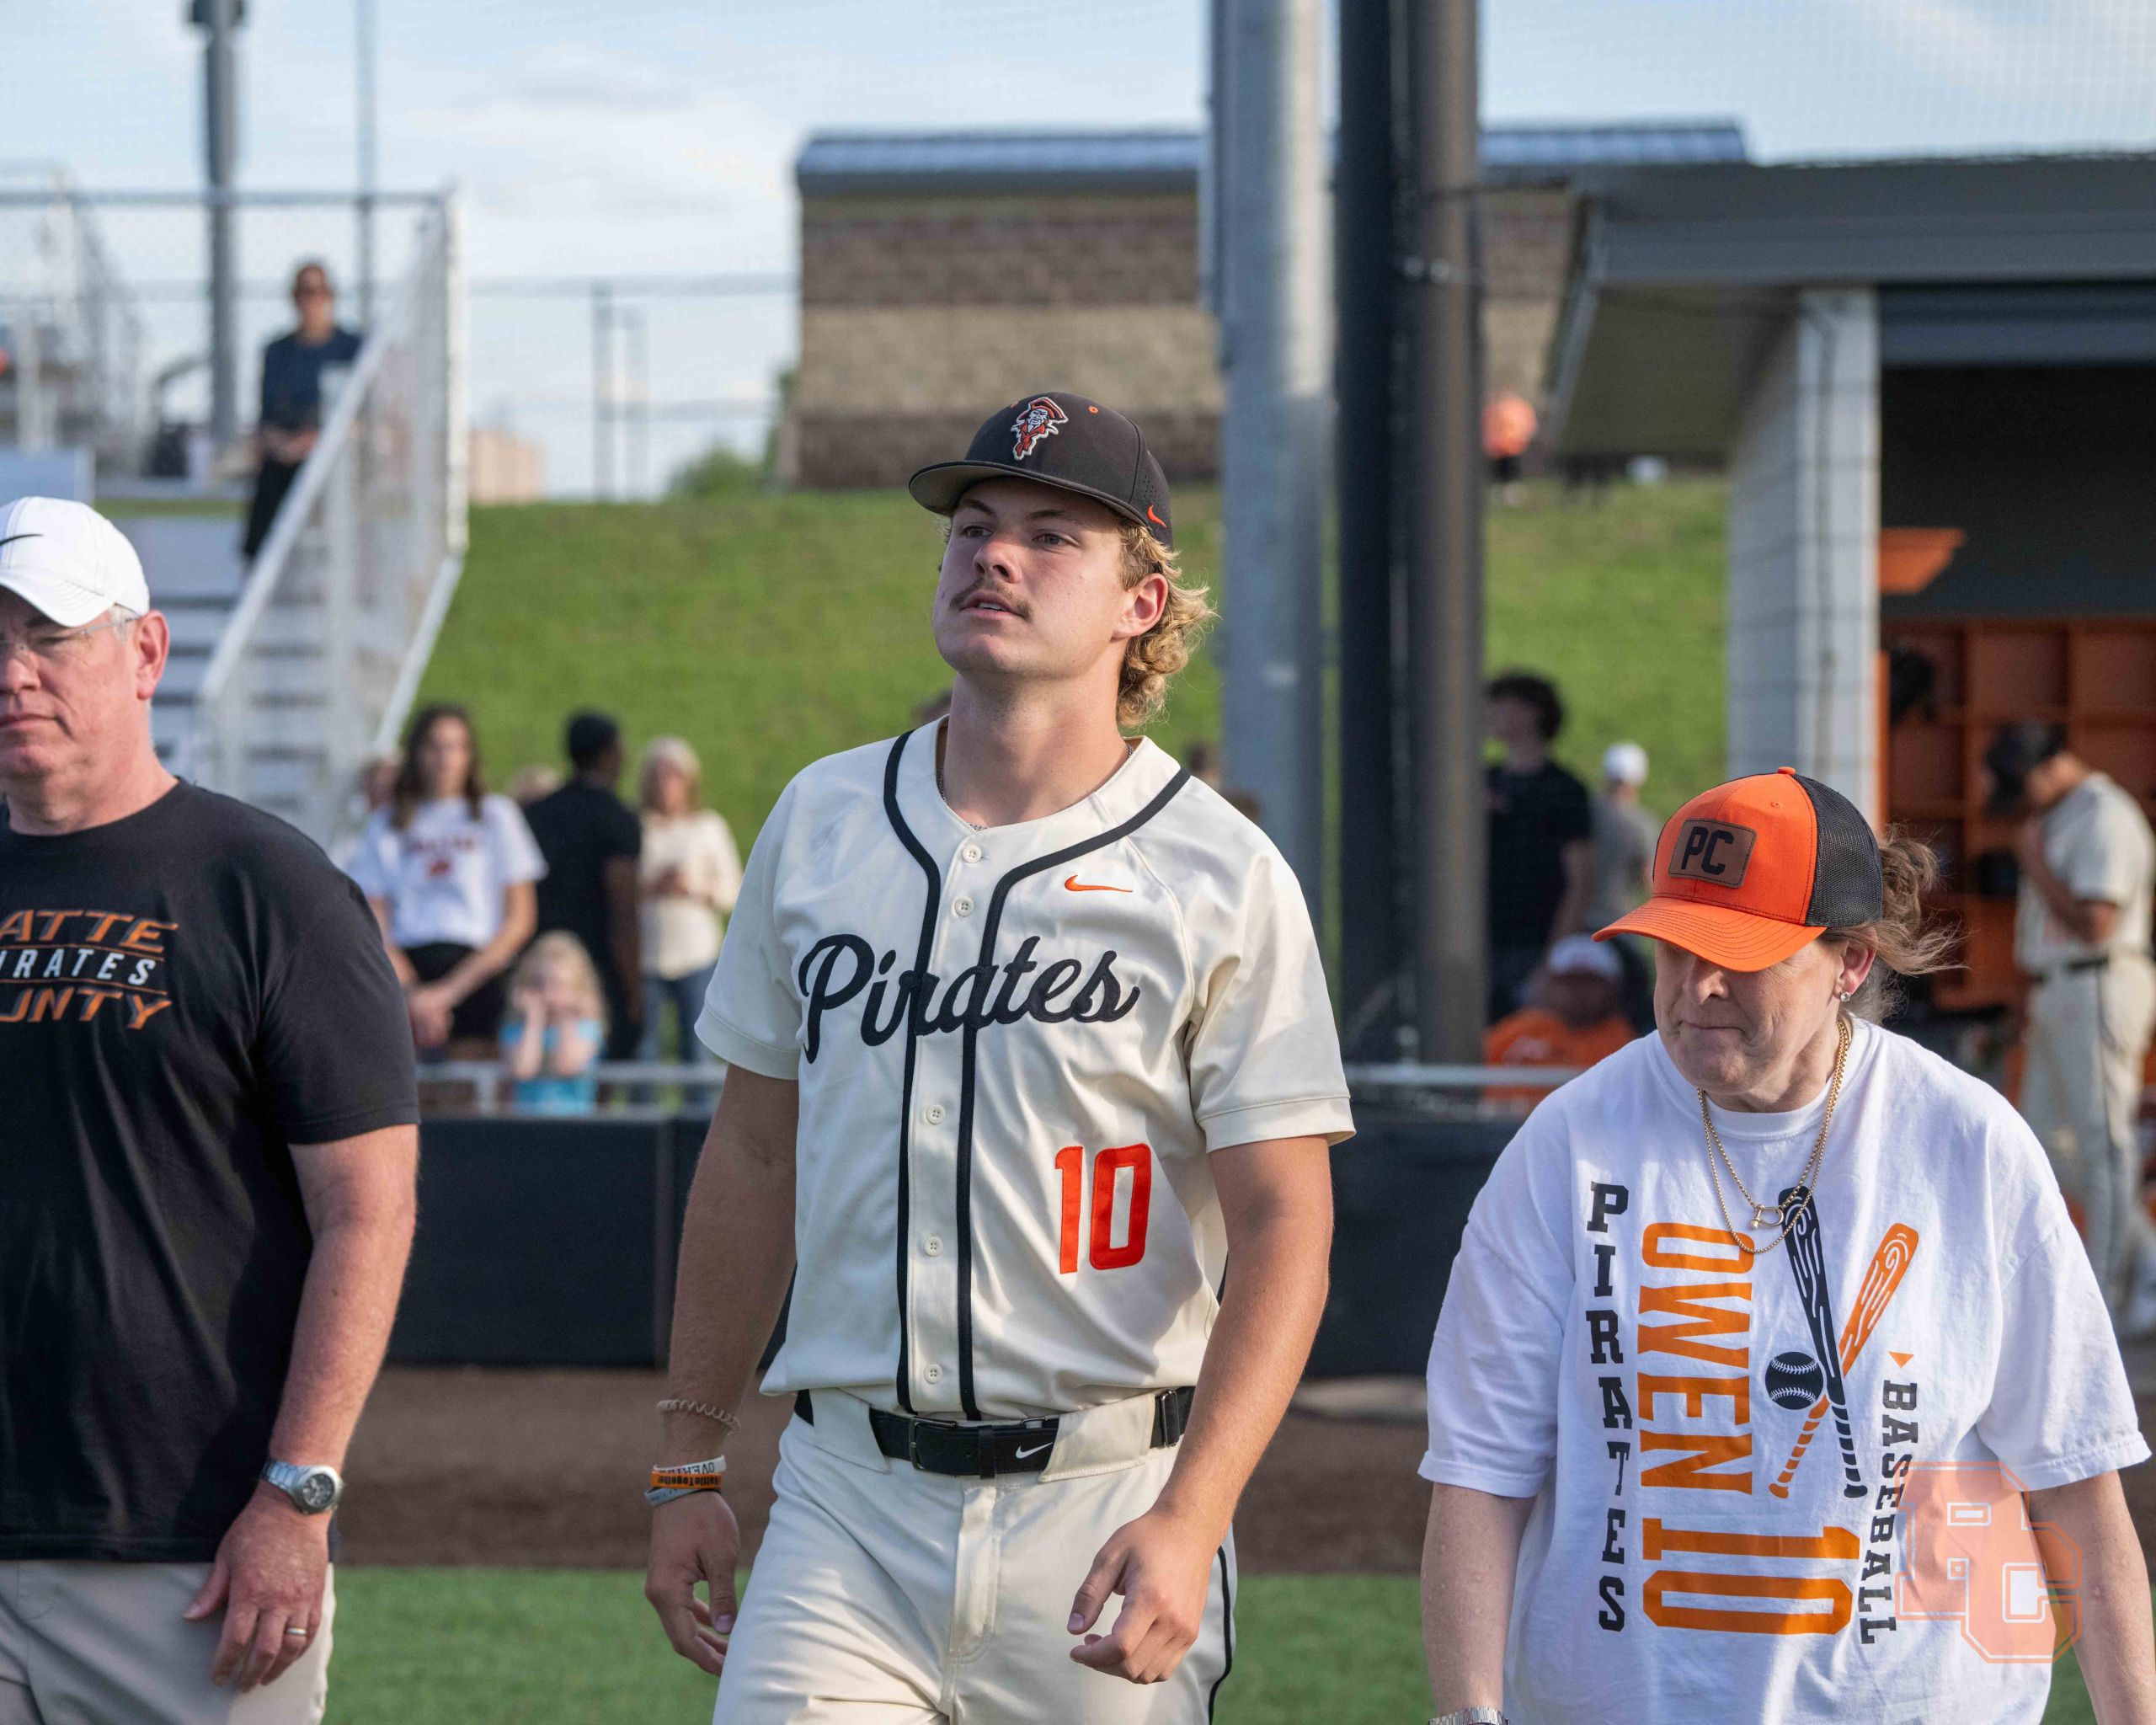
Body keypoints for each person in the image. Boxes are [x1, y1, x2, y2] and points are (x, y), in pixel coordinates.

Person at [645, 392, 1352, 1723]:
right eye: (973, 526)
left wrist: (1195, 1514)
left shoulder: (1221, 870)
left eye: (1050, 535)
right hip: (845, 1506)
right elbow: (751, 1154)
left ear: (1143, 604)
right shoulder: (822, 816)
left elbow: (1286, 1224)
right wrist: (688, 1466)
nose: (996, 555)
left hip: (1107, 1499)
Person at [1421, 767, 2155, 1724]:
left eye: (1739, 955)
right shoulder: (1569, 1143)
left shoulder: (1964, 1143)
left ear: (1850, 963)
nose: (1698, 986)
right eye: (1675, 949)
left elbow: (2077, 1484)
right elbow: (1479, 1470)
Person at [0, 497, 419, 1722]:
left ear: (145, 651)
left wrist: (299, 1493)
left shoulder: (268, 886)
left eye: (50, 637)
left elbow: (370, 1210)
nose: (14, 674)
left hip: (190, 1556)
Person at [1987, 720, 2156, 1326]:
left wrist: (2035, 862)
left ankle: (2103, 1302)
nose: (2022, 798)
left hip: (2101, 980)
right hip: (2059, 986)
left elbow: (2095, 924)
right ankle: (2147, 1261)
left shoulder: (2105, 812)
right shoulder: (2061, 812)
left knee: (2103, 1145)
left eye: (2023, 782)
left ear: (2051, 763)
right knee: (2042, 1145)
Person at [347, 703, 544, 1060]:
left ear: (470, 755)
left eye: (455, 747)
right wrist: (413, 993)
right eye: (434, 747)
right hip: (407, 970)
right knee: (411, 1084)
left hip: (478, 971)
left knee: (473, 1081)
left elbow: (520, 918)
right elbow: (374, 918)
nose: (445, 759)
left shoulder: (496, 815)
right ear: (416, 753)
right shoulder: (387, 823)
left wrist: (449, 992)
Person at [524, 712, 643, 1060]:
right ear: (608, 754)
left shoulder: (535, 813)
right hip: (596, 970)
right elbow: (623, 909)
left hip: (541, 961)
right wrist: (633, 989)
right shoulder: (617, 818)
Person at [1486, 670, 1593, 1022]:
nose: (1489, 714)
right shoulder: (1481, 782)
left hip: (1534, 947)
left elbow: (1580, 879)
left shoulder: (1564, 791)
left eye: (1500, 705)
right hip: (1477, 944)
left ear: (1530, 713)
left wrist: (1553, 959)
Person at [243, 263, 363, 562]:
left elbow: (366, 416)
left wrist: (320, 440)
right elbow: (266, 420)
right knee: (271, 480)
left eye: (319, 292)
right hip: (287, 455)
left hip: (338, 455)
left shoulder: (353, 348)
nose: (312, 300)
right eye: (304, 292)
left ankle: (347, 560)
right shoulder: (277, 352)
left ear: (330, 296)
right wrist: (284, 445)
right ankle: (259, 567)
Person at [636, 737, 741, 1065]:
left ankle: (700, 1100)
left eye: (674, 776)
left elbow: (732, 890)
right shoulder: (636, 827)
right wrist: (653, 887)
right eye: (658, 776)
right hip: (646, 952)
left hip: (696, 953)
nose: (665, 785)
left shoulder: (708, 827)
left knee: (698, 1046)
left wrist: (691, 888)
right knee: (644, 1047)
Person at [1482, 933, 1636, 1108]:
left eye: (1589, 982)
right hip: (1508, 1123)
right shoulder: (1519, 1029)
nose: (1578, 991)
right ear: (1551, 985)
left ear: (1612, 988)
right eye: (1569, 981)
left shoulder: (1623, 1044)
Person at [1592, 740, 1659, 1031]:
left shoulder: (1586, 815)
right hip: (1618, 928)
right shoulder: (1641, 824)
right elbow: (1651, 882)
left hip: (1574, 926)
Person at [500, 932, 607, 1115]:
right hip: (526, 1122)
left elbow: (567, 1065)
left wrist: (566, 1016)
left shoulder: (587, 1028)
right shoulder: (516, 1030)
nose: (548, 994)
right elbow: (523, 1070)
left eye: (557, 985)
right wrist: (533, 1021)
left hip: (573, 1122)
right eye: (539, 984)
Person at [1482, 391, 1538, 505]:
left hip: (1511, 446)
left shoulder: (1515, 409)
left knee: (1510, 471)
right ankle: (1504, 494)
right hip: (1501, 447)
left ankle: (1511, 495)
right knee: (1501, 472)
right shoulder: (1500, 409)